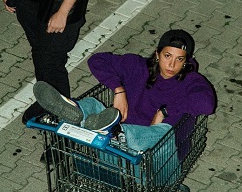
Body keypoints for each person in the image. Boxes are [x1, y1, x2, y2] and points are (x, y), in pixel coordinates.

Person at [33, 29, 216, 160]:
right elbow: (97, 60)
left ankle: (114, 132)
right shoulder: (137, 66)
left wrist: (164, 112)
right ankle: (76, 111)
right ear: (157, 54)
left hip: (158, 156)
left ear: (186, 62)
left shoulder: (191, 81)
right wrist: (118, 90)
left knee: (161, 132)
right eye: (167, 56)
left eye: (179, 59)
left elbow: (207, 104)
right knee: (93, 104)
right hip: (116, 149)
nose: (171, 65)